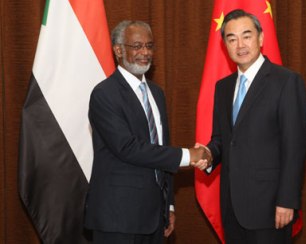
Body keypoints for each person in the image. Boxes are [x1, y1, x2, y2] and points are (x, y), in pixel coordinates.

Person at [84, 20, 211, 243]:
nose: (145, 52)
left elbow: (160, 149)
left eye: (149, 46)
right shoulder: (104, 94)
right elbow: (127, 148)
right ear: (118, 50)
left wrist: (168, 204)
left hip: (154, 217)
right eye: (137, 46)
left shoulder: (156, 93)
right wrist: (188, 156)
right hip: (118, 218)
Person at [200, 9, 306, 243]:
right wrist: (208, 155)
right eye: (231, 38)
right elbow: (222, 138)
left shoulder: (287, 82)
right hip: (231, 206)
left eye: (246, 35)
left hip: (270, 207)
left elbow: (295, 148)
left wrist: (287, 200)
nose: (240, 44)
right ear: (225, 46)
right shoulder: (223, 87)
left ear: (260, 38)